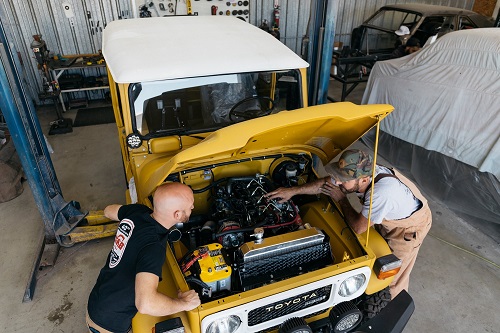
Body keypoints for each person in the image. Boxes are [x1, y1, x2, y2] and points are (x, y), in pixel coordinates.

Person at [265, 149, 432, 299]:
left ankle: (390, 304)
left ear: (364, 179)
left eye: (343, 180)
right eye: (339, 177)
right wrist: (292, 192)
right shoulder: (359, 172)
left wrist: (342, 200)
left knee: (390, 276)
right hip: (390, 211)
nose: (337, 183)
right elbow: (326, 184)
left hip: (408, 228)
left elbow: (358, 228)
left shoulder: (381, 194)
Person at [86, 182, 201, 333]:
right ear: (177, 215)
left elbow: (108, 211)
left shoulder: (138, 211)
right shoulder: (153, 248)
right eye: (190, 205)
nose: (193, 207)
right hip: (109, 323)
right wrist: (183, 303)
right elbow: (146, 304)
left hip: (98, 298)